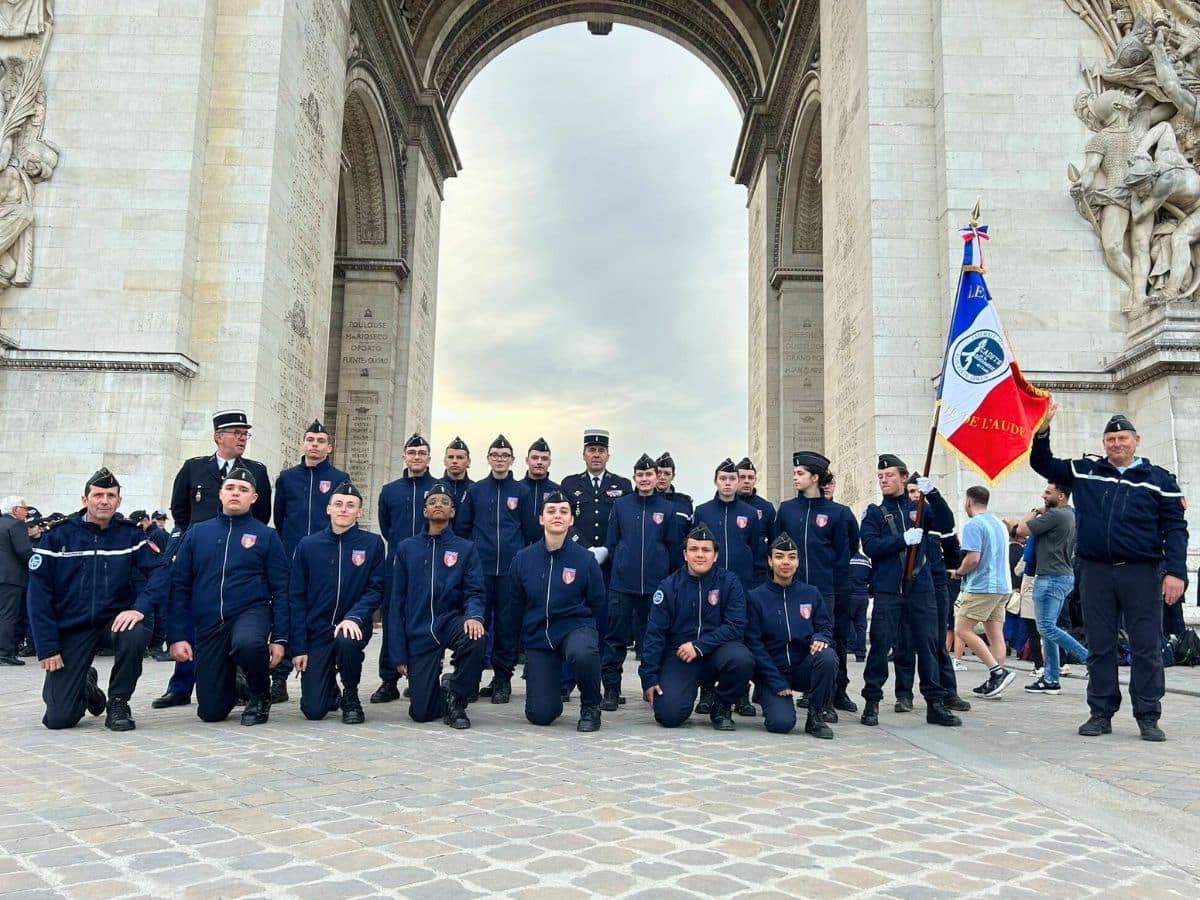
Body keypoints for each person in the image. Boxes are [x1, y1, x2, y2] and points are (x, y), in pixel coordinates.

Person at [1031, 406, 1186, 741]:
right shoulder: (1086, 471)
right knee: (1100, 645)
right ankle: (1100, 713)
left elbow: (1175, 528)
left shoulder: (1159, 480)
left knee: (1146, 646)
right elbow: (1042, 463)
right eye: (1111, 439)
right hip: (1096, 572)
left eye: (1123, 438)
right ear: (1104, 443)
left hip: (1142, 572)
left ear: (1136, 441)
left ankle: (1148, 715)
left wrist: (1176, 571)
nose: (1117, 444)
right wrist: (1041, 432)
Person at [26, 469, 161, 730]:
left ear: (119, 501)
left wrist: (140, 608)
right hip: (73, 627)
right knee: (59, 719)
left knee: (135, 632)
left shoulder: (130, 535)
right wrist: (47, 646)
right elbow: (38, 595)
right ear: (84, 499)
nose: (104, 501)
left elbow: (161, 570)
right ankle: (87, 685)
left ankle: (118, 702)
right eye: (98, 495)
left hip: (113, 621)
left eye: (111, 496)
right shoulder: (57, 536)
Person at [155, 409, 272, 710]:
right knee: (193, 616)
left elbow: (261, 515)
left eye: (245, 433)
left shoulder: (256, 472)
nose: (242, 438)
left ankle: (236, 682)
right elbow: (181, 511)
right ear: (219, 436)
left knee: (237, 622)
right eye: (236, 433)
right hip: (200, 555)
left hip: (238, 556)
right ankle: (181, 685)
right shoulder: (194, 468)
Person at [169, 466, 290, 725]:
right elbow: (180, 586)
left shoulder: (266, 536)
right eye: (230, 488)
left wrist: (279, 638)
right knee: (211, 712)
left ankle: (260, 694)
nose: (236, 493)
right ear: (220, 493)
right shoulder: (197, 533)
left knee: (248, 643)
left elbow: (281, 588)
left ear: (254, 498)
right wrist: (177, 636)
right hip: (210, 623)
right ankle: (236, 683)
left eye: (243, 490)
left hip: (250, 613)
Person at [859, 455, 960, 728]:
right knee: (880, 644)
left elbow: (946, 524)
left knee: (928, 644)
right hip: (889, 587)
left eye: (890, 475)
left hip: (921, 586)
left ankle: (935, 703)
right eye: (881, 476)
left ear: (904, 478)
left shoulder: (920, 507)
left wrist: (934, 494)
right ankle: (872, 701)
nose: (884, 480)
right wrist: (901, 540)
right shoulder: (875, 513)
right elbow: (870, 546)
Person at [388, 483, 487, 728]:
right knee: (421, 713)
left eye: (444, 502)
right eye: (432, 502)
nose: (438, 505)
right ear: (425, 512)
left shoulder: (465, 548)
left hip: (450, 622)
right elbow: (396, 602)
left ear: (452, 512)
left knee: (475, 636)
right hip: (419, 628)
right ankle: (443, 688)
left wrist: (474, 616)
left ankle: (457, 698)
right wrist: (398, 653)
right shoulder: (407, 548)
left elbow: (475, 591)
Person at [639, 522, 755, 730]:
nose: (700, 555)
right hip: (680, 656)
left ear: (715, 555)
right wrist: (649, 678)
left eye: (706, 550)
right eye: (693, 549)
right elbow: (654, 634)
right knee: (669, 716)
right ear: (685, 554)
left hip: (718, 652)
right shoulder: (669, 587)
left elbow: (736, 625)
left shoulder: (729, 582)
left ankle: (721, 705)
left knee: (742, 659)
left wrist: (699, 646)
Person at [289, 482, 386, 724]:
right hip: (318, 630)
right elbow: (297, 597)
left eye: (351, 505)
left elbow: (376, 588)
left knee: (346, 640)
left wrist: (355, 616)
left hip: (353, 626)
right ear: (328, 509)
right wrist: (298, 647)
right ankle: (329, 688)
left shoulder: (372, 544)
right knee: (314, 711)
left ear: (359, 512)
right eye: (339, 504)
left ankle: (351, 695)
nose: (344, 509)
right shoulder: (308, 545)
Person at [509, 490, 606, 731]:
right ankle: (550, 695)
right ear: (541, 518)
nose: (557, 516)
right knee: (541, 715)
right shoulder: (523, 559)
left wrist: (590, 635)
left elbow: (597, 603)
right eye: (551, 511)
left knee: (583, 652)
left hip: (574, 629)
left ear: (571, 520)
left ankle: (591, 705)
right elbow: (515, 604)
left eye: (564, 511)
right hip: (539, 636)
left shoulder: (585, 559)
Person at [772, 452, 857, 718]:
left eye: (800, 473)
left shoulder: (838, 513)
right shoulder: (787, 509)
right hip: (793, 589)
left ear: (815, 477)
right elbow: (776, 545)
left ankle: (828, 698)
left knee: (828, 642)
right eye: (794, 473)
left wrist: (838, 589)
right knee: (797, 639)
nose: (795, 477)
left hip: (826, 590)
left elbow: (846, 551)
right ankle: (802, 689)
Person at [271, 419, 350, 703]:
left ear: (329, 447)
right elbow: (280, 517)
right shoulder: (287, 477)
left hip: (324, 558)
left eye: (320, 441)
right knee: (287, 613)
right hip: (291, 555)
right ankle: (279, 677)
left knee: (321, 615)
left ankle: (328, 678)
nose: (315, 445)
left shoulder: (339, 477)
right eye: (310, 440)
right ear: (303, 444)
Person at [457, 434, 538, 704]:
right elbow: (463, 528)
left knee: (506, 626)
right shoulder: (476, 490)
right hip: (480, 570)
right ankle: (470, 679)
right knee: (476, 623)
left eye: (505, 456)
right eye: (495, 455)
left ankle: (502, 679)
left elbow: (530, 530)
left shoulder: (522, 492)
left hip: (510, 572)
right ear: (488, 459)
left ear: (512, 460)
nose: (500, 459)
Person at [600, 453, 680, 710]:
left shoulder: (667, 508)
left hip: (656, 585)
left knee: (653, 639)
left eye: (649, 474)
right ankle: (611, 689)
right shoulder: (621, 505)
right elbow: (612, 543)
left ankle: (651, 686)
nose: (645, 479)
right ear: (634, 478)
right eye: (640, 475)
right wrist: (622, 565)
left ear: (657, 477)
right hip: (623, 584)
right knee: (615, 638)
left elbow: (673, 547)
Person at [745, 533, 837, 738]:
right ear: (770, 561)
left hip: (803, 667)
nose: (785, 562)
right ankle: (768, 696)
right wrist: (775, 681)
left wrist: (821, 637)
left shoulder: (811, 593)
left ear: (798, 561)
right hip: (772, 672)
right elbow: (754, 644)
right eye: (779, 556)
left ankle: (816, 715)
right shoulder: (756, 597)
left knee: (828, 656)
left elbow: (825, 626)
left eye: (791, 557)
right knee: (781, 723)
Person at [893, 475, 972, 714]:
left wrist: (934, 495)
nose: (914, 496)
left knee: (937, 641)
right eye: (910, 492)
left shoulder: (933, 515)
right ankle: (903, 695)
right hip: (907, 583)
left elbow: (948, 527)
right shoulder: (900, 516)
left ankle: (948, 692)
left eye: (918, 491)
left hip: (935, 583)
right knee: (905, 642)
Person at [370, 433, 438, 704]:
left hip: (429, 564)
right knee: (393, 620)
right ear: (404, 457)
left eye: (421, 453)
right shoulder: (390, 491)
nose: (416, 457)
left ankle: (423, 675)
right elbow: (387, 527)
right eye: (412, 453)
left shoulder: (439, 488)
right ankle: (389, 679)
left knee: (428, 618)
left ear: (429, 458)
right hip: (397, 565)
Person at [1018, 481, 1089, 696]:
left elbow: (1020, 529)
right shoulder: (1071, 514)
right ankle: (1050, 678)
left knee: (1046, 628)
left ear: (1061, 495)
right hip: (1060, 575)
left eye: (1048, 492)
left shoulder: (1055, 515)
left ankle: (1091, 659)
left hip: (1051, 578)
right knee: (1048, 630)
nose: (1043, 495)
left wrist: (1035, 511)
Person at [950, 486, 1016, 699]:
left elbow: (973, 558)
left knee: (962, 630)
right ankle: (995, 683)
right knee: (995, 635)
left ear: (968, 501)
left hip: (982, 586)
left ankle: (997, 673)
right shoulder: (999, 524)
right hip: (1003, 586)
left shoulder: (973, 525)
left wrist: (959, 572)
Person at [692, 458, 767, 591]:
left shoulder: (750, 513)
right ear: (715, 481)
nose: (727, 483)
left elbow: (757, 551)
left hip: (742, 584)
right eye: (723, 478)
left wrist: (755, 584)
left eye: (732, 478)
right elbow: (694, 548)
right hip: (709, 583)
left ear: (738, 481)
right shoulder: (702, 512)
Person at [0, 494, 33, 665]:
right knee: (8, 615)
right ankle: (4, 654)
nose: (27, 512)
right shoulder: (16, 524)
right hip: (10, 578)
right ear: (15, 510)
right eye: (24, 508)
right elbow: (24, 551)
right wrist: (36, 566)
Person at [736, 457, 777, 537]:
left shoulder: (767, 508)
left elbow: (774, 539)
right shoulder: (727, 506)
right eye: (742, 477)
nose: (747, 481)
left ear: (755, 480)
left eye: (750, 477)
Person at [520, 437, 560, 511]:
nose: (539, 462)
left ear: (549, 462)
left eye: (544, 459)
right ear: (527, 460)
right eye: (535, 458)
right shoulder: (516, 489)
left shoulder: (557, 491)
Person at [655, 452, 694, 525]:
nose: (662, 477)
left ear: (673, 476)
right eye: (659, 473)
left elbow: (691, 530)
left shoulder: (684, 503)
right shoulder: (644, 501)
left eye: (667, 474)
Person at [439, 436, 473, 507]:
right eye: (450, 457)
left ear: (468, 461)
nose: (454, 461)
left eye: (460, 457)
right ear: (444, 460)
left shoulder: (475, 489)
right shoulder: (435, 486)